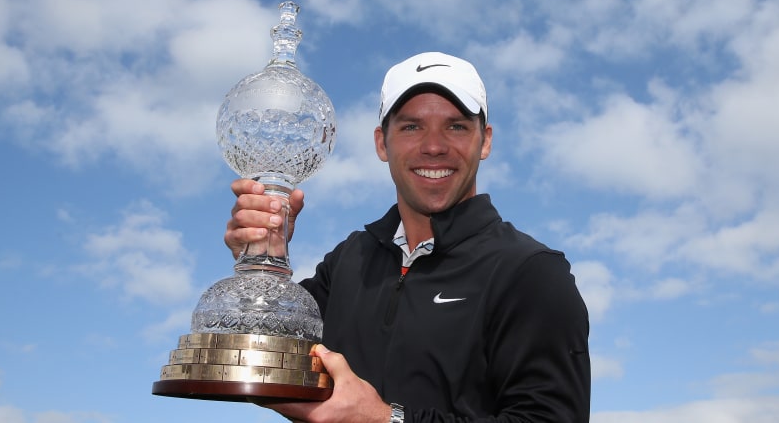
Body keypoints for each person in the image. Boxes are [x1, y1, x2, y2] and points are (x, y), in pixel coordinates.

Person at [224, 52, 591, 423]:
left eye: (457, 126)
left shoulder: (531, 273)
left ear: (485, 141)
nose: (434, 146)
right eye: (412, 127)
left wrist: (386, 420)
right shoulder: (349, 261)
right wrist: (261, 261)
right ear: (382, 143)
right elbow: (264, 362)